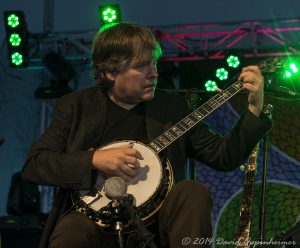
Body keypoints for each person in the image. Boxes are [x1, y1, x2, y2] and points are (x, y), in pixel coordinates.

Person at [21, 22, 272, 248]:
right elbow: (35, 165)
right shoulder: (76, 107)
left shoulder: (171, 107)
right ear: (110, 72)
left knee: (192, 192)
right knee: (71, 232)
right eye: (141, 66)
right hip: (92, 224)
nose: (153, 73)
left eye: (154, 63)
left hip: (157, 226)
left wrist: (253, 108)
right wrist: (95, 160)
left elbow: (224, 156)